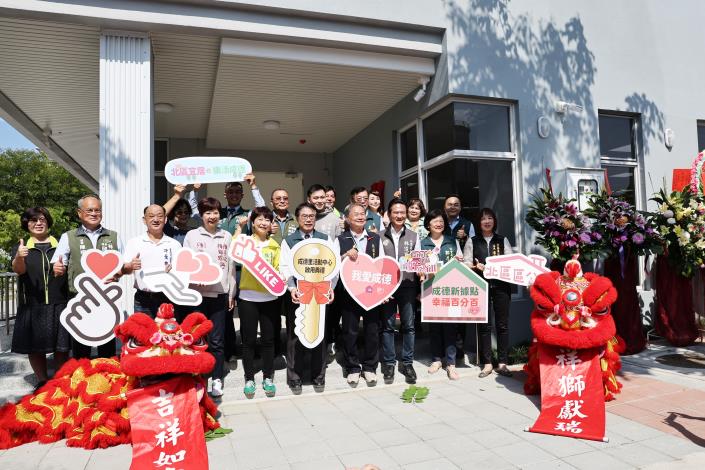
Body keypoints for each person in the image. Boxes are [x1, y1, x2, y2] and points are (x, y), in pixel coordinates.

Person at [52, 194, 121, 359]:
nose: (94, 213)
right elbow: (58, 264)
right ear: (79, 213)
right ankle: (81, 373)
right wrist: (58, 268)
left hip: (107, 299)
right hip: (80, 299)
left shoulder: (114, 236)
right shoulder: (68, 236)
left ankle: (108, 372)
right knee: (81, 346)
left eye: (97, 210)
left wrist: (118, 273)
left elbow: (123, 265)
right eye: (89, 210)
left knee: (107, 344)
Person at [183, 197, 236, 397]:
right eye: (207, 212)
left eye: (215, 212)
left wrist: (231, 293)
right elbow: (186, 264)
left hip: (219, 294)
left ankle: (217, 378)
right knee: (197, 338)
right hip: (197, 296)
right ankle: (198, 377)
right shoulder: (192, 235)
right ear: (201, 215)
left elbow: (230, 268)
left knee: (217, 340)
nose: (212, 216)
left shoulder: (226, 236)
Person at [11, 207, 70, 389]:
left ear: (48, 222)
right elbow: (19, 270)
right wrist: (19, 257)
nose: (38, 223)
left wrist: (63, 269)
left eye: (42, 219)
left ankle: (60, 381)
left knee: (61, 346)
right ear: (27, 224)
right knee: (35, 347)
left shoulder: (62, 245)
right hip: (32, 304)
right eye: (33, 220)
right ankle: (42, 381)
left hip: (59, 302)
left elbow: (70, 268)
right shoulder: (21, 247)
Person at [279, 203, 334, 394]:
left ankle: (319, 376)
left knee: (319, 333)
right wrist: (291, 288)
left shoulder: (325, 239)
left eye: (312, 216)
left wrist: (330, 288)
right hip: (298, 293)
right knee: (295, 335)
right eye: (304, 216)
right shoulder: (289, 240)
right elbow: (284, 266)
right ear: (297, 218)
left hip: (319, 293)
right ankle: (295, 377)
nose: (309, 219)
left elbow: (333, 266)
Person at [237, 207, 281, 399]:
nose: (264, 223)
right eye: (260, 219)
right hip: (248, 298)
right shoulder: (246, 243)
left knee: (268, 340)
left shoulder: (275, 245)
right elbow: (233, 248)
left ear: (271, 224)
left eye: (267, 220)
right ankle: (249, 379)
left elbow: (279, 268)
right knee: (248, 341)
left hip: (270, 298)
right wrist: (239, 228)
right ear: (253, 222)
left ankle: (268, 377)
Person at [337, 203, 383, 387]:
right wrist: (344, 256)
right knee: (350, 331)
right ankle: (353, 368)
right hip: (349, 292)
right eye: (355, 214)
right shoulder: (340, 239)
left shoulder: (375, 238)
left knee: (372, 330)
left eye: (362, 213)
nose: (360, 216)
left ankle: (370, 367)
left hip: (371, 293)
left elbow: (382, 265)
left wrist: (383, 290)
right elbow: (333, 265)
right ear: (347, 219)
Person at [465, 207, 513, 378]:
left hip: (501, 286)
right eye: (483, 219)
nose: (487, 221)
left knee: (502, 325)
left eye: (490, 218)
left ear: (494, 221)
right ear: (479, 223)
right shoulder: (472, 241)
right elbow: (466, 263)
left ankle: (503, 363)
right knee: (484, 326)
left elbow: (510, 262)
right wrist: (474, 266)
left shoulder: (502, 240)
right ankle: (487, 363)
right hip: (481, 286)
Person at [380, 198, 420, 384]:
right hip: (387, 287)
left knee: (409, 326)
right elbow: (377, 264)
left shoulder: (413, 236)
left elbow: (419, 262)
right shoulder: (379, 236)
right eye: (395, 212)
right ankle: (389, 363)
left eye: (402, 212)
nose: (399, 215)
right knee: (387, 326)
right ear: (389, 214)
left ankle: (407, 363)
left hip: (407, 285)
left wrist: (422, 270)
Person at [422, 209, 463, 380]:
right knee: (435, 327)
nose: (439, 224)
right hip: (431, 290)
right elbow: (419, 267)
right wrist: (421, 272)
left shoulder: (452, 241)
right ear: (428, 224)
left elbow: (461, 261)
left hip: (450, 289)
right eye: (435, 221)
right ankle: (436, 360)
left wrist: (459, 261)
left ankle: (451, 363)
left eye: (441, 221)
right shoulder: (422, 243)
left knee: (450, 327)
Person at [122, 205, 182, 319]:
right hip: (143, 299)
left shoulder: (175, 244)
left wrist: (173, 273)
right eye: (151, 216)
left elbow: (181, 273)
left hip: (167, 298)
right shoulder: (134, 242)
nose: (156, 219)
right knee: (142, 330)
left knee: (167, 330)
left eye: (160, 216)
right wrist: (130, 266)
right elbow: (124, 269)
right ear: (144, 220)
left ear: (165, 219)